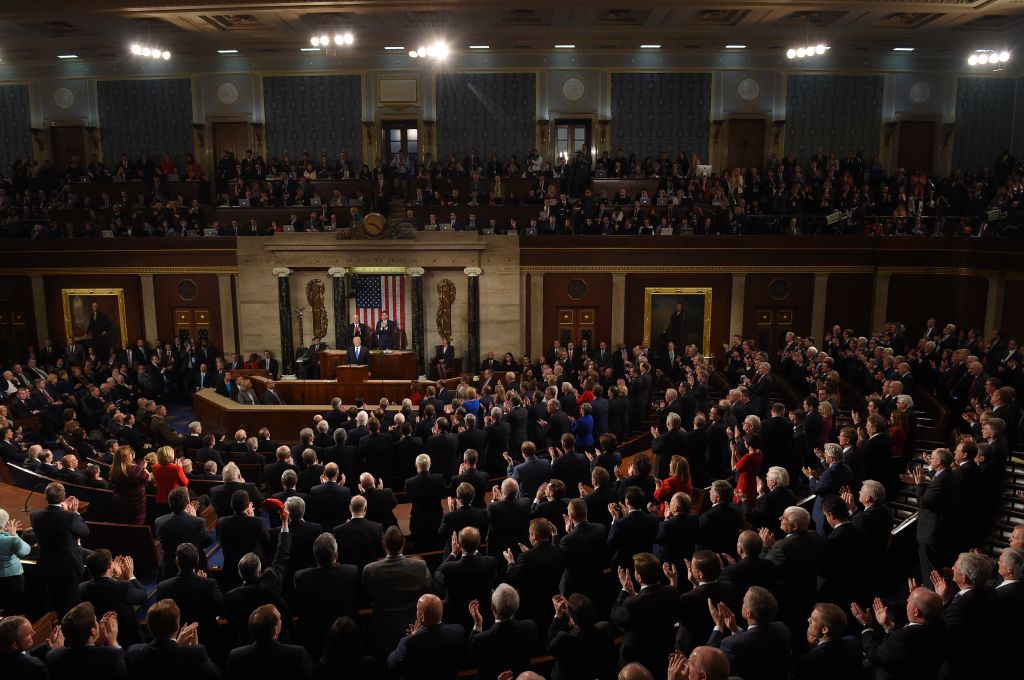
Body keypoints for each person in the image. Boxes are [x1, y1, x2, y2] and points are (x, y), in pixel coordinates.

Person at [361, 526, 432, 658]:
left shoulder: (370, 570)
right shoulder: (420, 566)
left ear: (383, 544)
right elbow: (429, 591)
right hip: (412, 630)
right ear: (404, 543)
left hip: (382, 632)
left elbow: (366, 596)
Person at [852, 587, 947, 680]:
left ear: (916, 612)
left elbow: (875, 656)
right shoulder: (941, 626)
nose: (906, 601)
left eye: (909, 600)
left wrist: (866, 626)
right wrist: (887, 625)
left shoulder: (903, 638)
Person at [611, 552, 679, 679]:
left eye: (635, 571)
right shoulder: (671, 592)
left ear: (639, 578)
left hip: (636, 660)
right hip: (663, 655)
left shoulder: (631, 603)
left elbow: (615, 616)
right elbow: (652, 601)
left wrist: (625, 590)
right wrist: (635, 594)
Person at [293, 533, 359, 659]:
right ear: (336, 555)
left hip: (314, 639)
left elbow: (298, 605)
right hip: (346, 637)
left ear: (315, 556)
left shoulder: (301, 577)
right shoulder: (351, 572)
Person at [706, 586, 791, 680]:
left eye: (743, 603)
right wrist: (735, 630)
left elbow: (709, 664)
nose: (742, 605)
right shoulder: (782, 629)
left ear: (748, 614)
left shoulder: (731, 644)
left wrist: (719, 626)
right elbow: (756, 639)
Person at [30, 482, 89, 614]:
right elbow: (85, 532)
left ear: (46, 497)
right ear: (63, 498)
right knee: (70, 603)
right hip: (69, 566)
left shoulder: (35, 515)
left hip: (47, 564)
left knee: (52, 601)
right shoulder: (70, 516)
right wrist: (75, 513)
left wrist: (63, 508)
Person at [125, 598, 219, 680]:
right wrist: (194, 646)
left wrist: (177, 645)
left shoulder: (134, 653)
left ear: (148, 626)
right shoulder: (195, 653)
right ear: (178, 626)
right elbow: (215, 676)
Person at [76, 549, 147, 647]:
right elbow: (142, 596)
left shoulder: (81, 588)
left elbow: (107, 589)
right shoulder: (124, 586)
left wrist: (117, 578)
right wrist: (130, 576)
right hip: (128, 640)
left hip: (99, 642)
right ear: (110, 566)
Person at [386, 594, 466, 680]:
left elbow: (391, 664)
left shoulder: (408, 642)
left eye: (417, 611)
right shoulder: (458, 631)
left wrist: (413, 637)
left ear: (422, 617)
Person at [909, 447, 958, 582]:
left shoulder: (943, 480)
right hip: (934, 530)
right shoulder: (944, 475)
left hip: (931, 532)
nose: (930, 459)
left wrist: (919, 484)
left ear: (940, 461)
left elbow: (924, 502)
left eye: (932, 458)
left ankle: (933, 595)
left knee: (930, 571)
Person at [468, 584, 538, 679]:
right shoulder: (530, 627)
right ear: (517, 605)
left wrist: (478, 624)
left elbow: (472, 654)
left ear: (493, 608)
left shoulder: (481, 639)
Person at [226, 604, 313, 679]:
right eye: (280, 618)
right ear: (275, 629)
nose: (281, 620)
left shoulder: (235, 656)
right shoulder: (297, 654)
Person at [44, 603, 125, 679]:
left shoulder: (52, 656)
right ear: (93, 630)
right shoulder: (112, 656)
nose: (98, 623)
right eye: (96, 620)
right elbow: (127, 672)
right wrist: (113, 642)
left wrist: (98, 640)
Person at [547, 593, 617, 680]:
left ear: (572, 620)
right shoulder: (605, 628)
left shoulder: (563, 639)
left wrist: (558, 615)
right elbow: (585, 628)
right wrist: (572, 616)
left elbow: (550, 646)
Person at [796, 603, 863, 680]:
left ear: (824, 629)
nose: (808, 620)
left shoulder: (807, 661)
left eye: (813, 619)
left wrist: (812, 647)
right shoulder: (853, 642)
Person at [109, 445, 151, 525]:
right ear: (129, 456)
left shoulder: (114, 470)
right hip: (135, 507)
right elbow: (148, 478)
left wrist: (140, 468)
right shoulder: (137, 470)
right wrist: (144, 468)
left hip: (120, 505)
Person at [0, 509, 30, 614]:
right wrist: (14, 534)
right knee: (13, 608)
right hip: (12, 580)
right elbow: (26, 550)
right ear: (4, 524)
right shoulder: (11, 539)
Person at [151, 445, 189, 514]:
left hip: (160, 499)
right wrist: (180, 468)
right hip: (174, 500)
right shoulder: (177, 468)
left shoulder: (154, 467)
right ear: (171, 455)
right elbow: (185, 483)